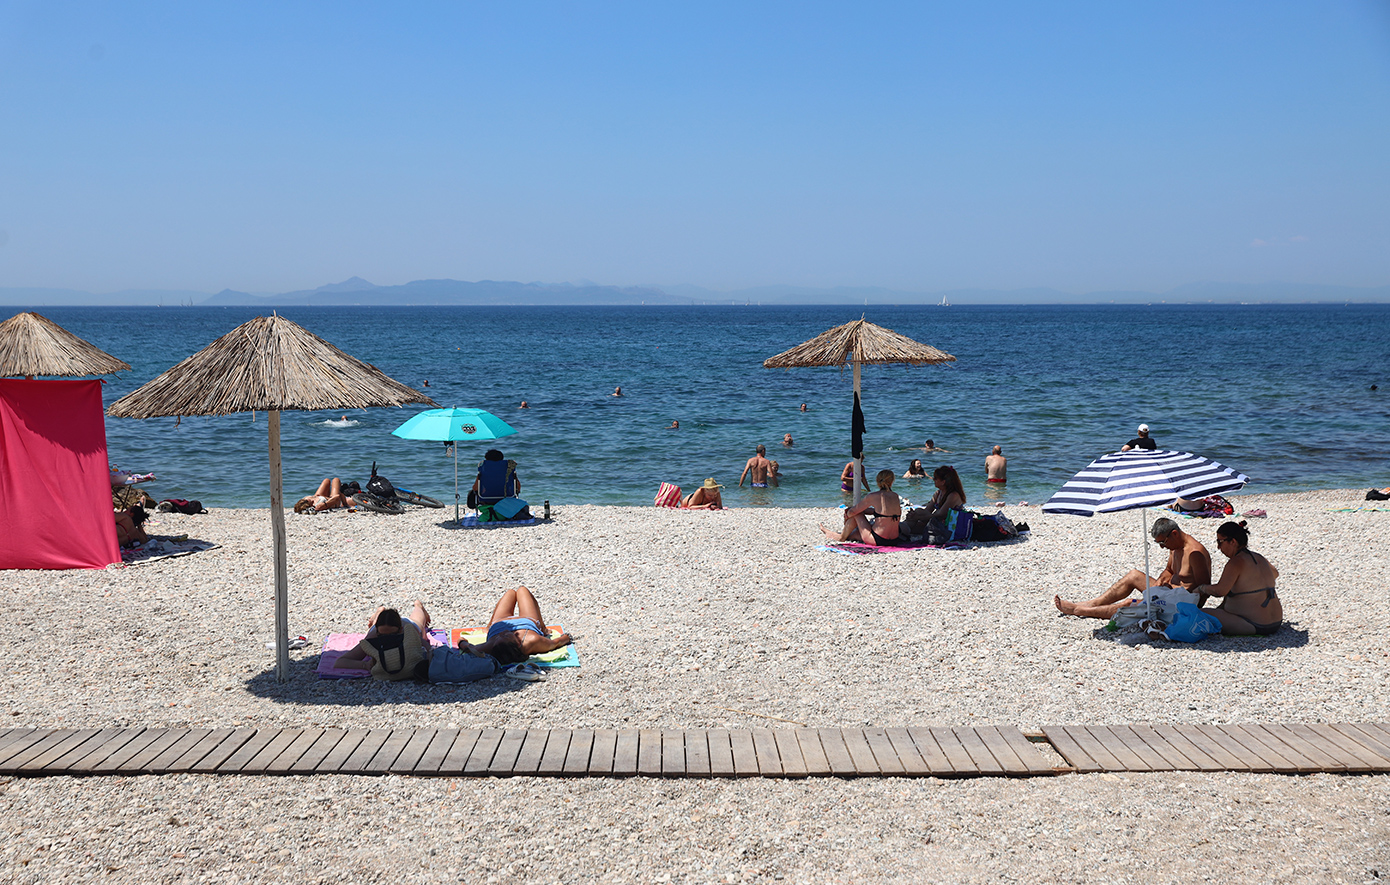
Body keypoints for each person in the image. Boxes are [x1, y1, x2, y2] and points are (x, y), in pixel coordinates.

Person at [1053, 517, 1211, 619]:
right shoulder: (1175, 548)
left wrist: (1179, 599)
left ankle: (1079, 611)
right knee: (1134, 575)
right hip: (1169, 593)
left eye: (1163, 542)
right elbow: (1169, 570)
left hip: (1183, 602)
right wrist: (1162, 581)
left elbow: (1204, 590)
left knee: (1130, 603)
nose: (1162, 548)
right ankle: (1093, 603)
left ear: (1174, 534)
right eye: (1159, 544)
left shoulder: (1194, 554)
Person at [1191, 521, 1283, 635]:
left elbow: (1220, 591)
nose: (1218, 547)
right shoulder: (1258, 557)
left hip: (1252, 625)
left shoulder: (1236, 562)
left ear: (1233, 542)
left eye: (1220, 542)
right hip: (1276, 623)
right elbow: (1274, 573)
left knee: (1195, 614)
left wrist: (1201, 588)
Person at [461, 586, 574, 665]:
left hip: (500, 622)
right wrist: (566, 637)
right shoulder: (532, 640)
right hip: (527, 621)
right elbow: (555, 643)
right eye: (505, 636)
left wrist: (461, 641)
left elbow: (468, 648)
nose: (501, 634)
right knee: (522, 590)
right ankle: (544, 628)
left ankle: (488, 627)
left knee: (510, 592)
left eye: (498, 638)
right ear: (518, 643)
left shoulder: (492, 646)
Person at [332, 601, 433, 681]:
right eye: (383, 635)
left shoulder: (408, 630)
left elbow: (429, 650)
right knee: (380, 623)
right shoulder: (372, 636)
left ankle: (418, 605)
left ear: (400, 630)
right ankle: (379, 612)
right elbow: (340, 661)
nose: (387, 638)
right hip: (379, 628)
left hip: (407, 624)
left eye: (392, 635)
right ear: (377, 632)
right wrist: (364, 665)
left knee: (420, 623)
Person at [821, 469, 902, 546]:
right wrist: (865, 511)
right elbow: (883, 513)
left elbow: (853, 512)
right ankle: (841, 535)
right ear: (892, 481)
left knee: (856, 512)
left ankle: (841, 537)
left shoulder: (873, 496)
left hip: (877, 540)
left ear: (877, 481)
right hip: (894, 540)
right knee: (854, 535)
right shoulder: (895, 496)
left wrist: (847, 515)